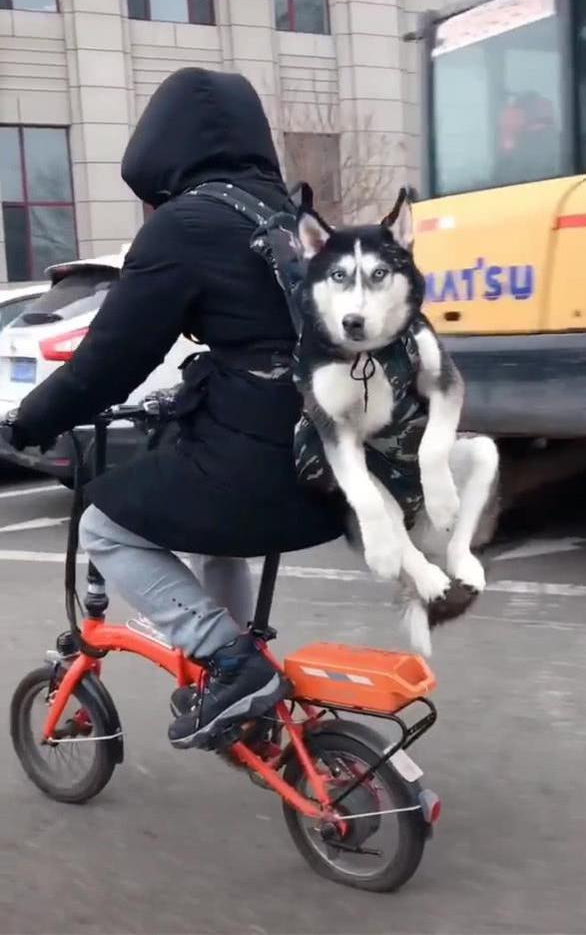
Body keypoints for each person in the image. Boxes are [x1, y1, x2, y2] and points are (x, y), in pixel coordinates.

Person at [6, 68, 344, 750]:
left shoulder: (187, 224)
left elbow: (109, 362)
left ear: (160, 147)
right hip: (330, 468)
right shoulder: (292, 215)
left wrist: (26, 422)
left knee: (105, 524)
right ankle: (239, 680)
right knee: (215, 540)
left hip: (264, 465)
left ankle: (231, 664)